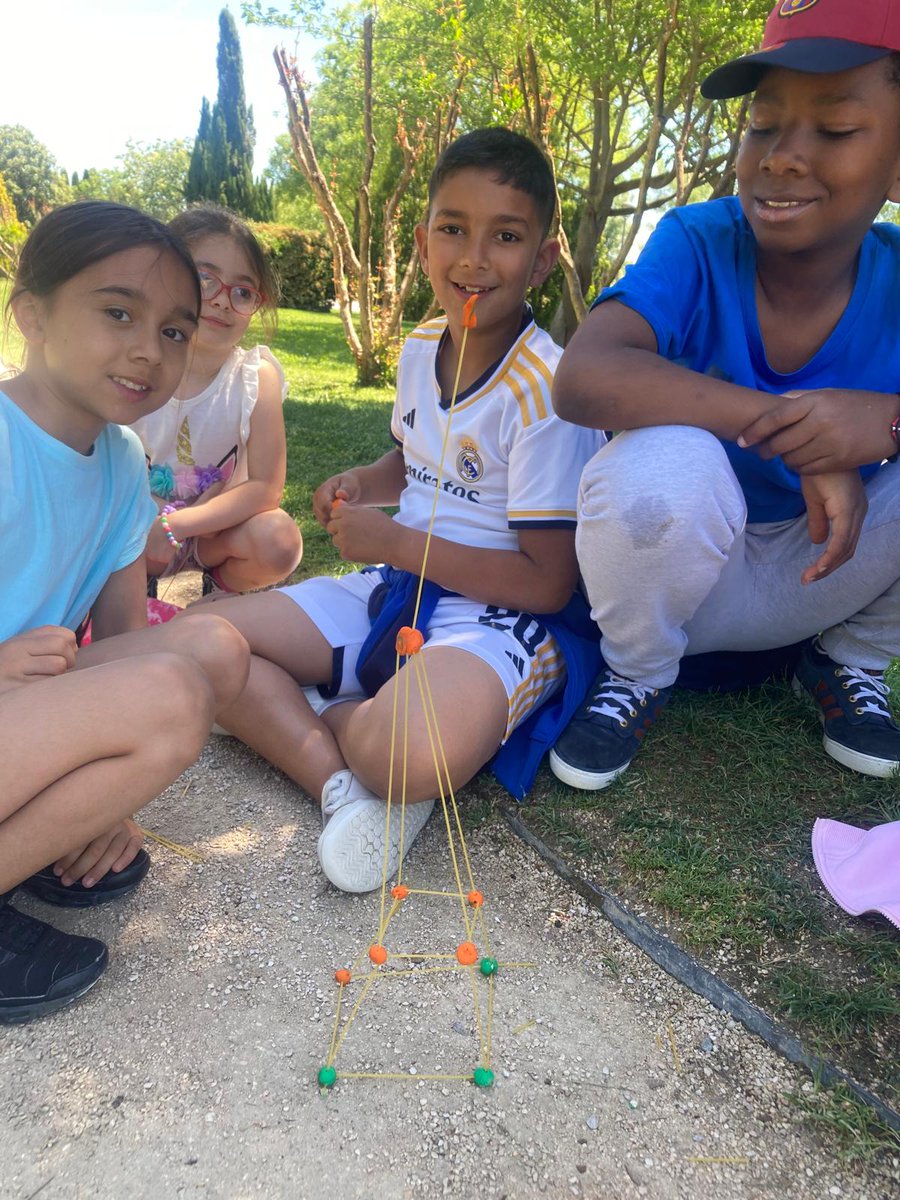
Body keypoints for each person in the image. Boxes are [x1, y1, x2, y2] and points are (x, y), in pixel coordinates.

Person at [191, 128, 604, 893]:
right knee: (203, 638)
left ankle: (334, 713)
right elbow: (415, 459)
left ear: (542, 259)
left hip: (503, 622)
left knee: (407, 752)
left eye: (505, 237)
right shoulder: (421, 345)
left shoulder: (549, 390)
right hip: (397, 587)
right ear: (422, 243)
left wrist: (397, 541)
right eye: (453, 229)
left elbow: (548, 584)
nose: (474, 259)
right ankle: (340, 780)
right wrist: (362, 480)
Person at [550, 0, 900, 792]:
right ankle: (634, 675)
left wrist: (880, 421)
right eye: (763, 126)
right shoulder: (699, 239)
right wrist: (799, 435)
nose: (782, 157)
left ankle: (850, 662)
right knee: (668, 458)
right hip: (675, 575)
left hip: (824, 571)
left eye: (837, 130)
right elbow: (584, 376)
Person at [0, 201, 250, 1023]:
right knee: (173, 696)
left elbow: (123, 644)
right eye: (118, 312)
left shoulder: (121, 462)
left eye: (176, 331)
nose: (150, 348)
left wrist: (112, 802)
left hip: (24, 723)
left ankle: (34, 843)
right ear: (30, 312)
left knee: (209, 649)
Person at [135, 204, 302, 597]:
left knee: (279, 540)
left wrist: (179, 524)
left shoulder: (255, 378)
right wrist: (149, 526)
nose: (224, 301)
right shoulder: (136, 363)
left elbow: (265, 487)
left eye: (243, 292)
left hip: (212, 533)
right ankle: (128, 598)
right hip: (133, 532)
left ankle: (214, 603)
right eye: (205, 279)